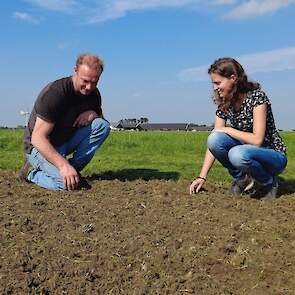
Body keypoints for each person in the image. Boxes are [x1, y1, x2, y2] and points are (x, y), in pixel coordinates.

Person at [189, 57, 287, 199]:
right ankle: (242, 179)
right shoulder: (224, 103)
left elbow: (257, 140)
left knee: (237, 154)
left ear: (233, 78)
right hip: (244, 153)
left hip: (272, 156)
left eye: (218, 83)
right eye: (213, 83)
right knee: (214, 139)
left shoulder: (257, 98)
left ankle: (268, 182)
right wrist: (202, 176)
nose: (215, 88)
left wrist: (228, 129)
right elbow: (214, 143)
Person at [20, 53, 110, 191]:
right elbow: (38, 138)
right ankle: (32, 173)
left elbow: (101, 120)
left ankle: (73, 170)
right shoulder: (55, 93)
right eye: (85, 81)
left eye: (94, 82)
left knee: (102, 126)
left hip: (64, 142)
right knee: (64, 185)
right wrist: (63, 166)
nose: (89, 87)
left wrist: (94, 114)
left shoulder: (94, 94)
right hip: (39, 148)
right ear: (75, 71)